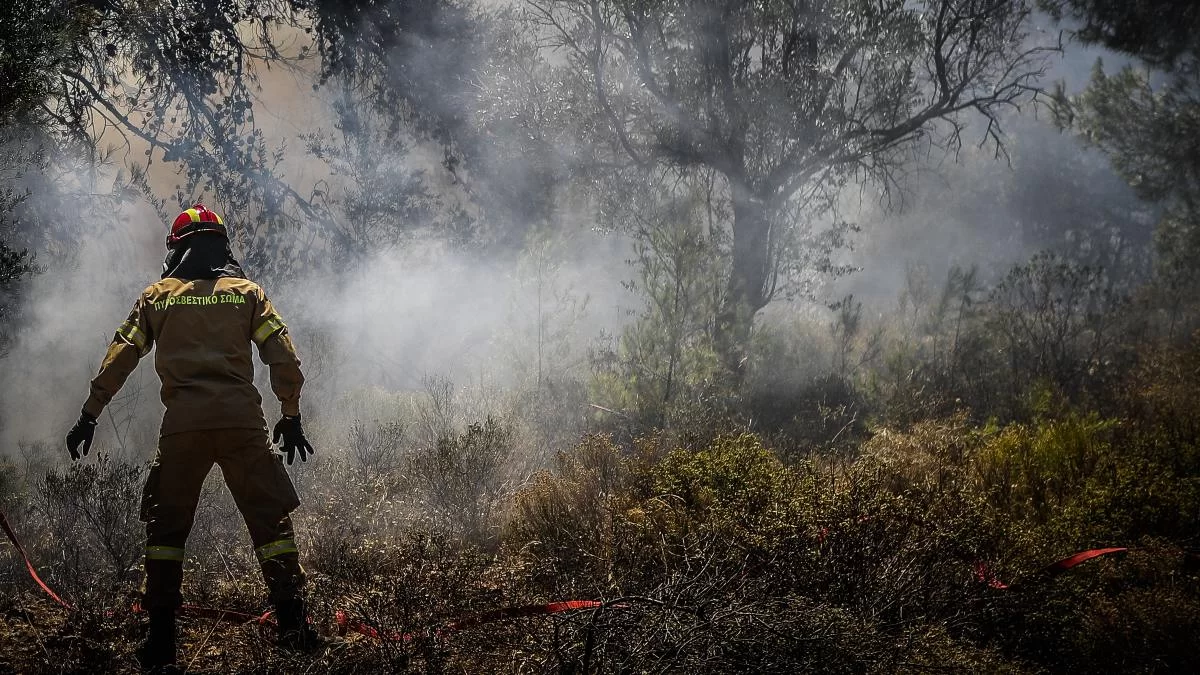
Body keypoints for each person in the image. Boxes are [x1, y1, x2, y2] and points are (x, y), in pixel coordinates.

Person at [64, 204, 322, 671]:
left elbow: (121, 356)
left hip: (182, 429)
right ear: (221, 247)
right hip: (243, 426)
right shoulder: (247, 294)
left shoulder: (158, 298)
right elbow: (282, 357)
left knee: (166, 533)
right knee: (271, 526)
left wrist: (90, 412)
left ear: (177, 250)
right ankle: (293, 625)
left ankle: (161, 642)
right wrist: (290, 414)